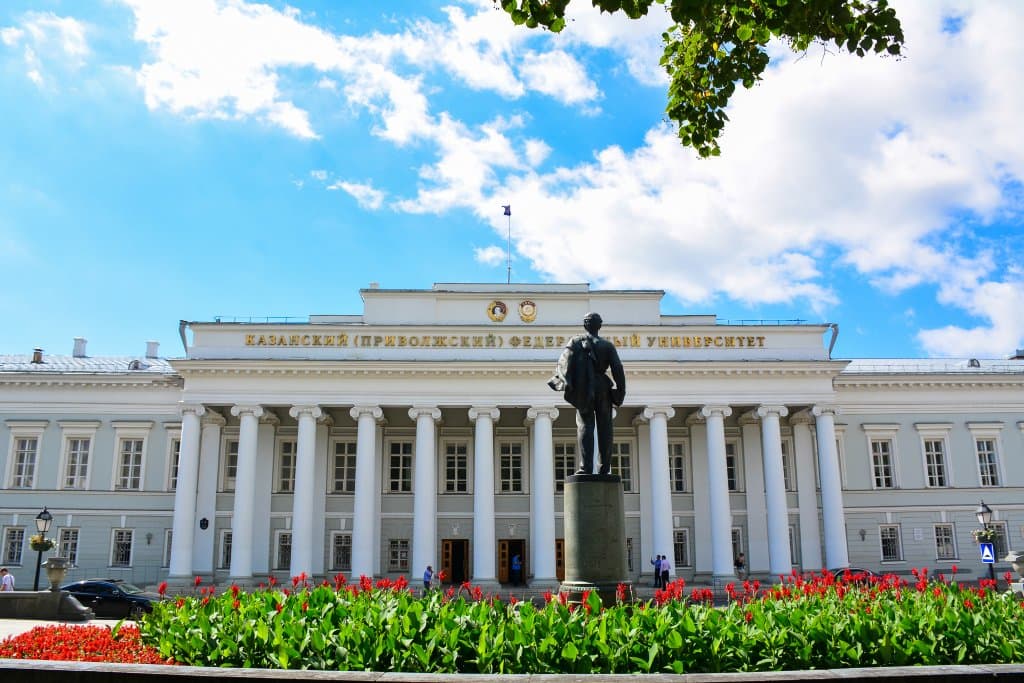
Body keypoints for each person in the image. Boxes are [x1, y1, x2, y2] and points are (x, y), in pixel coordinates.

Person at [548, 312, 626, 475]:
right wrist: (620, 391)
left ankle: (586, 468)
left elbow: (564, 363)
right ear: (600, 326)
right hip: (603, 388)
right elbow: (617, 369)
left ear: (585, 325)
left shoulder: (576, 342)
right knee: (606, 428)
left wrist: (564, 381)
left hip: (585, 388)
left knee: (585, 426)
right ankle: (604, 468)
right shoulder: (607, 345)